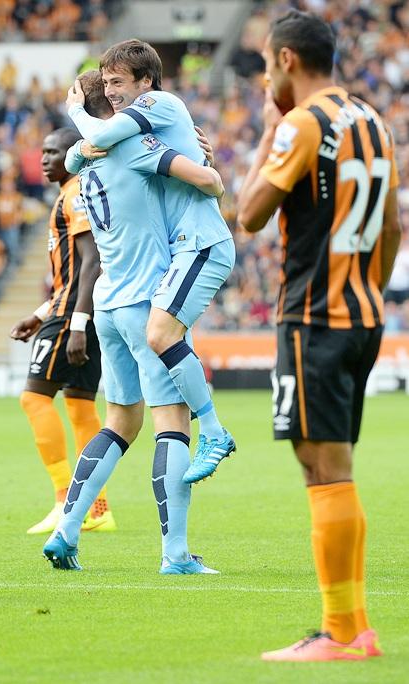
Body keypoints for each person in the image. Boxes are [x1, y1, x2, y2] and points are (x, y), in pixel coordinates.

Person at [236, 10, 401, 661]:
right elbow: (390, 226)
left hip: (314, 317)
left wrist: (269, 133)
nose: (263, 77)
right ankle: (353, 627)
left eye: (264, 64)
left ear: (285, 60)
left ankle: (339, 633)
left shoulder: (301, 124)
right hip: (361, 315)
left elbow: (249, 214)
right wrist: (368, 292)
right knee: (335, 468)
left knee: (323, 469)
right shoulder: (374, 120)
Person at [43, 70, 224, 574]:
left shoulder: (85, 159)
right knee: (173, 424)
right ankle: (176, 555)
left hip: (108, 303)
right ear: (121, 104)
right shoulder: (137, 148)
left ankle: (67, 529)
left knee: (119, 423)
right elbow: (202, 183)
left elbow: (90, 149)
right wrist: (203, 159)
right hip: (148, 303)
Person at [66, 39, 237, 484]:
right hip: (177, 251)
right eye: (106, 83)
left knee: (159, 339)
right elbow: (75, 156)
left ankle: (214, 430)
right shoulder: (138, 139)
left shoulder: (157, 104)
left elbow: (208, 180)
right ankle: (213, 433)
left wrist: (76, 116)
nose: (113, 90)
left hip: (198, 243)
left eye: (118, 81)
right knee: (160, 346)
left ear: (146, 82)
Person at [10, 128, 115, 535]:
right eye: (43, 151)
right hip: (71, 310)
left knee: (33, 400)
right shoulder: (71, 193)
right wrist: (40, 314)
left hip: (75, 315)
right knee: (80, 407)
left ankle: (63, 500)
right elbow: (71, 273)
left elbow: (92, 262)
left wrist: (76, 323)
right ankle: (97, 508)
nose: (44, 158)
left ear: (73, 154)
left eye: (53, 151)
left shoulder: (76, 193)